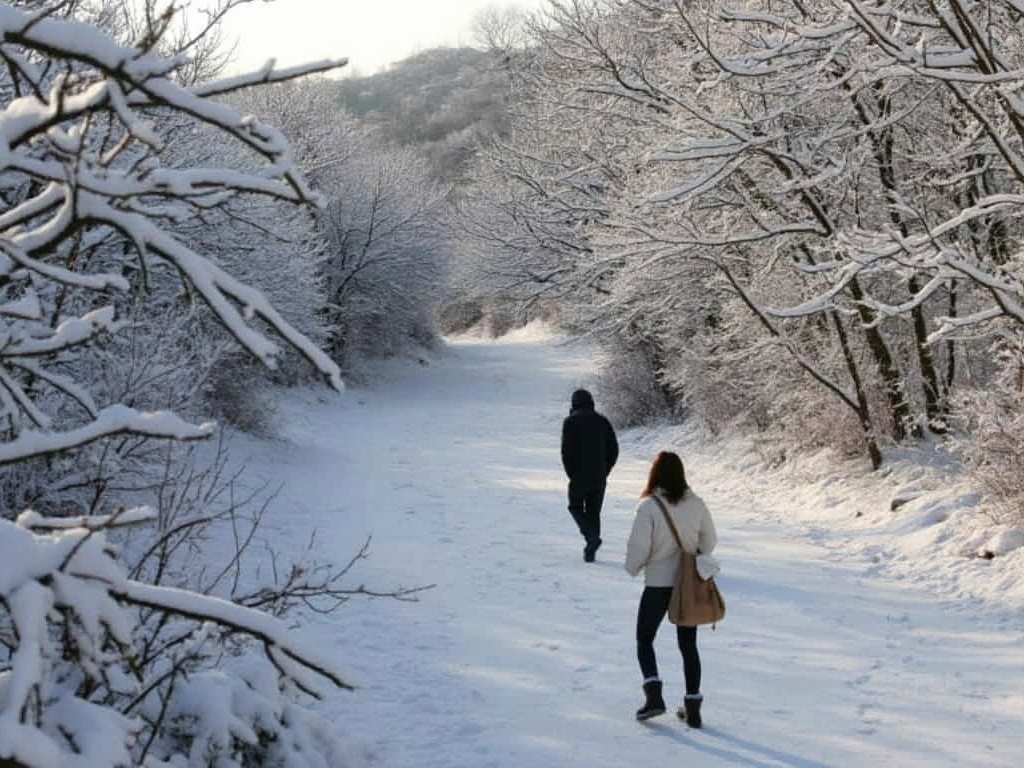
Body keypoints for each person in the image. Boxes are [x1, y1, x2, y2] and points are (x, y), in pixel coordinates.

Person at [624, 451, 717, 725]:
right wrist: (694, 554)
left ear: (655, 474)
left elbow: (640, 546)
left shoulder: (649, 507)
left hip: (657, 584)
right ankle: (693, 706)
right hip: (687, 585)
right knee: (688, 645)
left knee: (644, 640)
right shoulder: (697, 504)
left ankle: (654, 695)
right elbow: (710, 539)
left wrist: (633, 566)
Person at [560, 388, 618, 562]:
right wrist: (605, 469)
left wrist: (572, 474)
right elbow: (614, 450)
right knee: (594, 512)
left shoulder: (570, 422)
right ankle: (591, 550)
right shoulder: (602, 421)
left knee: (575, 506)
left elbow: (566, 453)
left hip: (579, 475)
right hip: (600, 475)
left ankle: (591, 540)